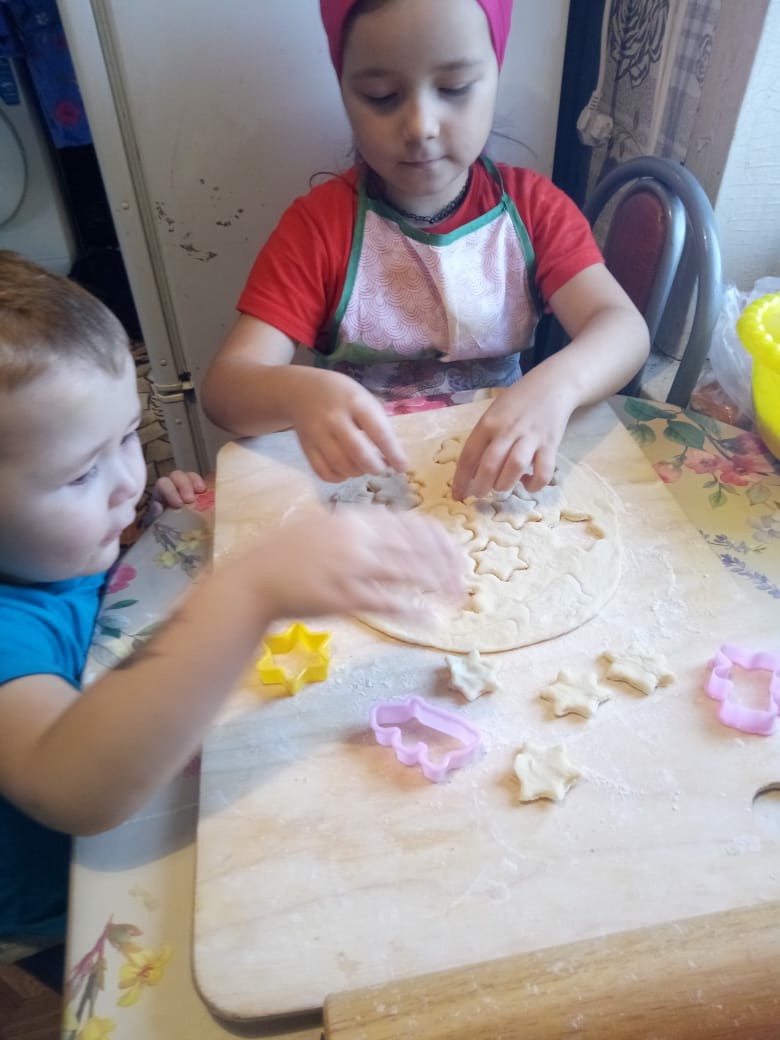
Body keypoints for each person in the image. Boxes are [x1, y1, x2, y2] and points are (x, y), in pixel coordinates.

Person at [0, 250, 463, 944]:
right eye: (80, 475)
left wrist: (145, 526)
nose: (127, 481)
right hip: (70, 893)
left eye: (126, 438)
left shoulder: (43, 545)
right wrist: (246, 591)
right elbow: (72, 788)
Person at [201, 0, 649, 501]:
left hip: (496, 480)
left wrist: (557, 387)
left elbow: (623, 327)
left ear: (495, 74)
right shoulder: (319, 230)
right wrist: (298, 394)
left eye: (454, 88)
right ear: (344, 91)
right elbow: (225, 389)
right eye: (382, 96)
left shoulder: (534, 211)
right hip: (365, 490)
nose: (420, 126)